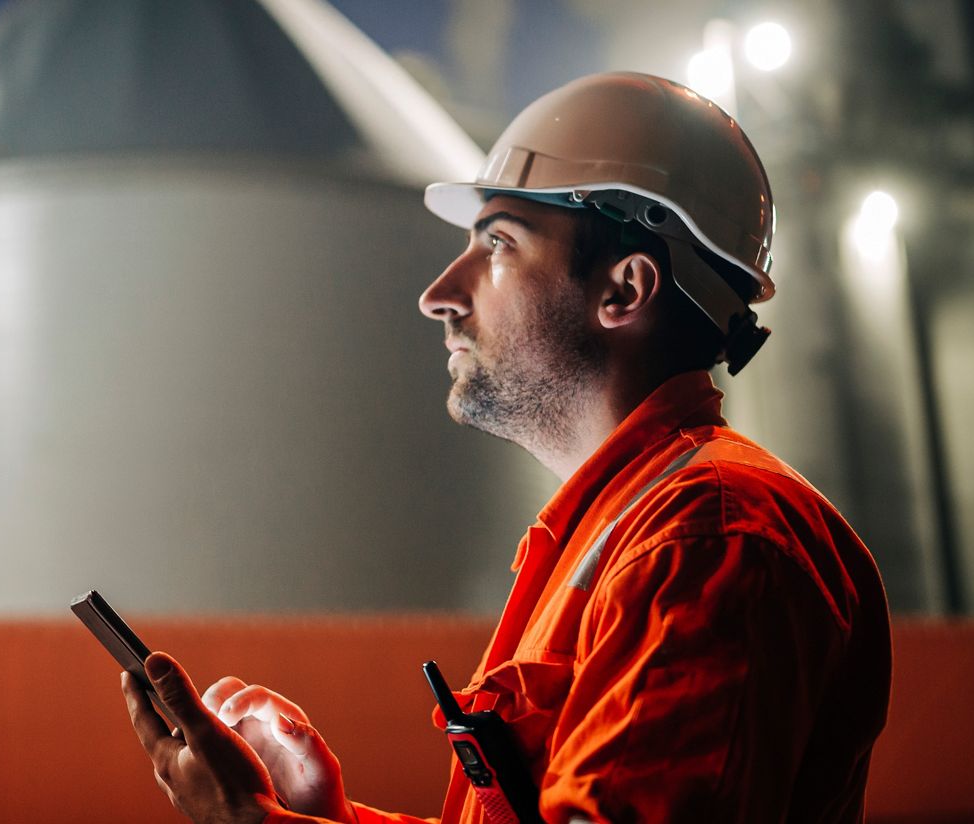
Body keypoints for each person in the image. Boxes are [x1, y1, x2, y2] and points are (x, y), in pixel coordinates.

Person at [120, 72, 891, 824]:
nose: (439, 294)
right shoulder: (613, 534)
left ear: (624, 289)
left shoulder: (708, 535)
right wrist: (329, 817)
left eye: (497, 244)